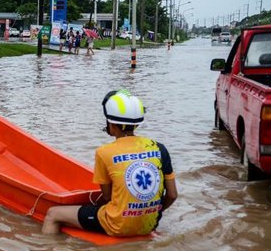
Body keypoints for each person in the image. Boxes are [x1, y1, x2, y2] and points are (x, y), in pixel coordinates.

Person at [42, 89, 178, 237]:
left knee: (52, 214)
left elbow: (107, 197)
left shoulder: (104, 152)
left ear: (111, 124)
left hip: (117, 225)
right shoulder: (159, 148)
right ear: (137, 124)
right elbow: (172, 195)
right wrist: (148, 214)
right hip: (150, 225)